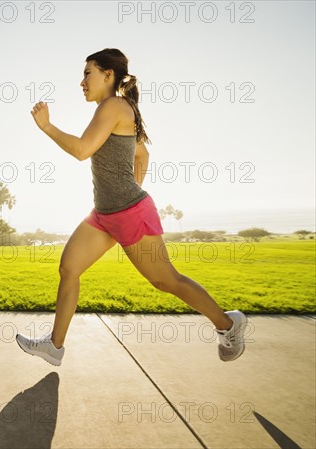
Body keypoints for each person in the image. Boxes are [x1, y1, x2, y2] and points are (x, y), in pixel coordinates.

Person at [15, 48, 248, 366]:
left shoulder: (114, 106)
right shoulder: (114, 110)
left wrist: (47, 127)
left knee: (166, 281)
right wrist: (128, 189)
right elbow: (142, 155)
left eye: (88, 73)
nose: (82, 81)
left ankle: (228, 324)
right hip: (103, 215)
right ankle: (54, 347)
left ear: (107, 75)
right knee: (69, 268)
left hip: (128, 214)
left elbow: (83, 150)